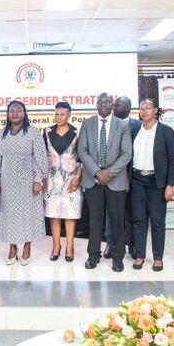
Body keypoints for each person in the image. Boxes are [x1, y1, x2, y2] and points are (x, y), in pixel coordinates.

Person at [78, 93, 132, 272]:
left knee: (117, 221)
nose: (103, 104)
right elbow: (82, 151)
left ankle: (118, 258)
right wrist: (97, 172)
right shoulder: (87, 124)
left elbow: (126, 153)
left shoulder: (122, 125)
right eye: (100, 101)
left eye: (107, 101)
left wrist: (109, 173)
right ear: (96, 104)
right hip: (93, 180)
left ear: (113, 105)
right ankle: (93, 255)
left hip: (115, 181)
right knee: (94, 221)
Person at [0, 101, 48, 265]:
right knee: (10, 215)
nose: (15, 113)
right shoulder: (2, 133)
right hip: (8, 182)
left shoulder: (33, 132)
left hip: (28, 182)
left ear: (24, 114)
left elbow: (41, 158)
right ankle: (12, 248)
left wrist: (38, 180)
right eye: (12, 111)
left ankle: (26, 247)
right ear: (8, 114)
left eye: (19, 110)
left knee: (27, 215)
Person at [130, 99, 174, 272]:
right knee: (138, 220)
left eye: (148, 108)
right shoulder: (134, 129)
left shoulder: (166, 131)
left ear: (155, 110)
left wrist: (170, 184)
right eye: (141, 109)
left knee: (157, 222)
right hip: (136, 181)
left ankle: (158, 257)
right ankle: (140, 255)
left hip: (157, 183)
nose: (144, 112)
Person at [44, 102, 82, 263]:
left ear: (69, 115)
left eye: (62, 114)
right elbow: (43, 156)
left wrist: (77, 178)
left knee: (70, 214)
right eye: (56, 114)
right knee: (54, 215)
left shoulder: (77, 132)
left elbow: (82, 159)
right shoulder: (46, 131)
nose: (58, 117)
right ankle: (56, 246)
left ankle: (69, 247)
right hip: (52, 179)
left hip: (71, 179)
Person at [105, 95, 141, 260]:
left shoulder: (139, 126)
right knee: (112, 213)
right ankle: (110, 245)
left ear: (128, 108)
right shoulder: (107, 124)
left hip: (134, 178)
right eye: (114, 105)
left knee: (132, 214)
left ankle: (133, 245)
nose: (114, 108)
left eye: (118, 105)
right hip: (113, 177)